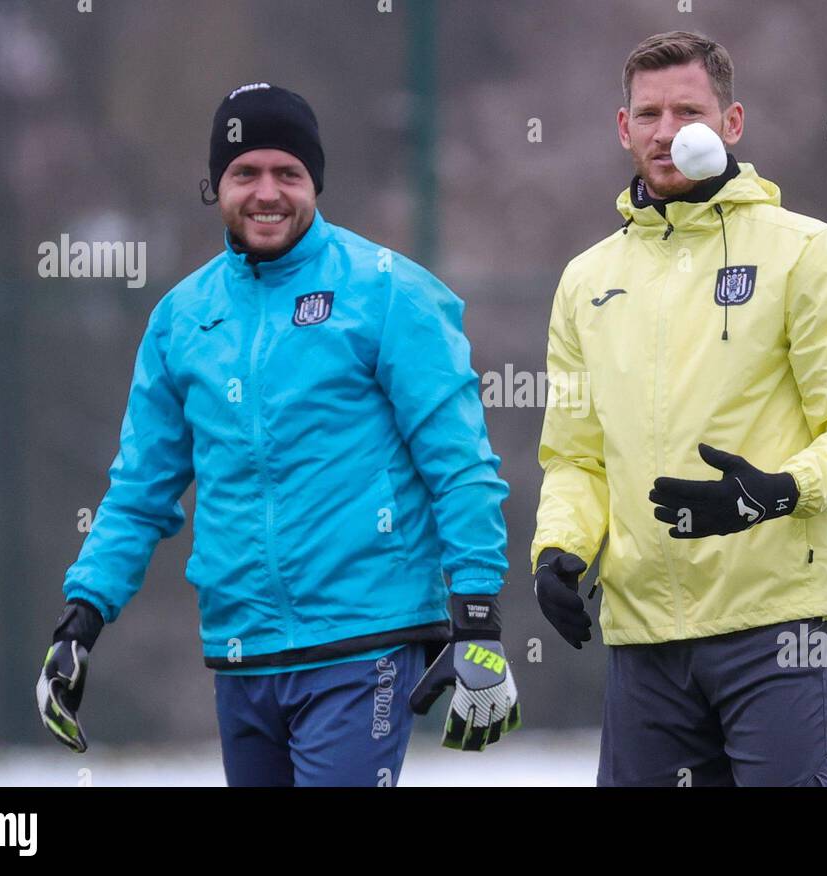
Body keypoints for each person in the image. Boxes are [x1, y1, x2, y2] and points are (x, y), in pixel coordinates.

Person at [36, 82, 519, 786]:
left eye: (288, 173)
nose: (268, 192)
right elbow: (140, 491)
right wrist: (81, 617)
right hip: (243, 650)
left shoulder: (388, 291)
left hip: (365, 640)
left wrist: (476, 612)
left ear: (314, 182)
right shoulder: (181, 319)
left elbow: (461, 464)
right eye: (245, 173)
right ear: (216, 186)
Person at [531, 32, 827, 786]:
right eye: (649, 114)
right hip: (642, 639)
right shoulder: (584, 280)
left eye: (687, 111)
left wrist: (778, 491)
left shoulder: (806, 252)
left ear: (732, 124)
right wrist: (559, 550)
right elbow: (575, 454)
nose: (666, 132)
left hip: (776, 624)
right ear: (623, 127)